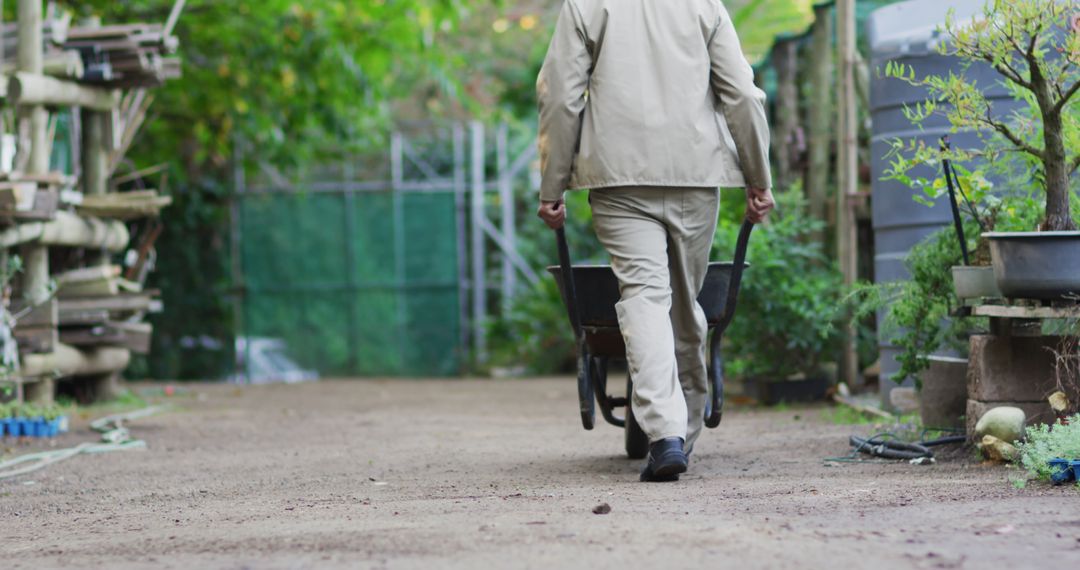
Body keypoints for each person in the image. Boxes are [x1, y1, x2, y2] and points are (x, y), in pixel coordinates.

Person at [536, 0, 775, 482]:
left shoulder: (586, 5)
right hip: (694, 174)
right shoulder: (703, 5)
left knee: (645, 294)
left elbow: (561, 97)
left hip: (618, 178)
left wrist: (552, 184)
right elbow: (742, 96)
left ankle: (665, 435)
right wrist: (759, 177)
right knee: (684, 302)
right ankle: (679, 433)